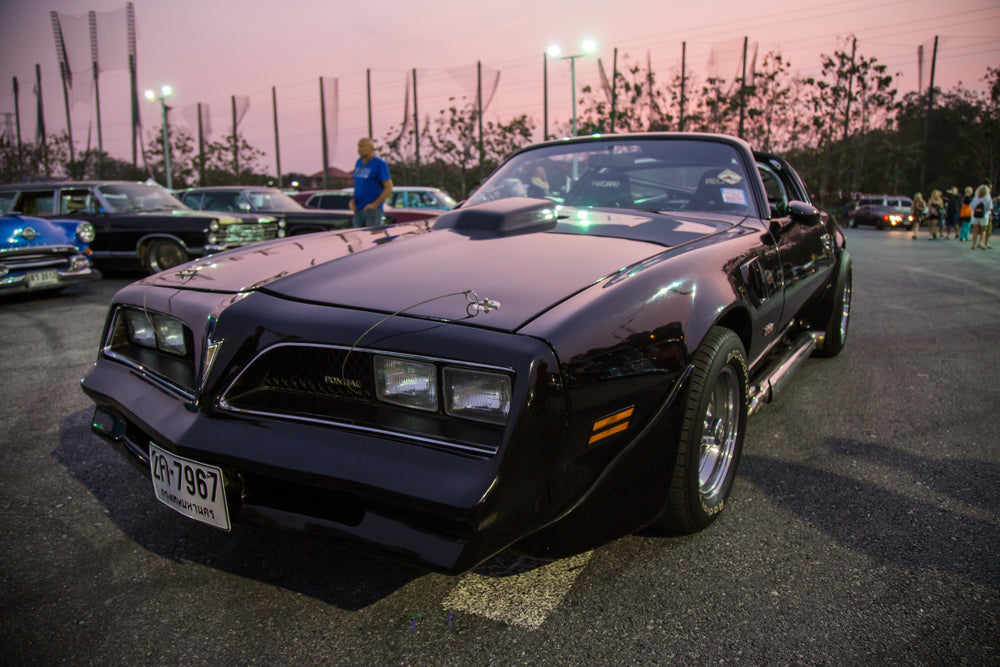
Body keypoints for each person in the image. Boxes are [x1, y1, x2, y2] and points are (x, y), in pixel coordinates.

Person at [350, 137, 393, 228]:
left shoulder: (379, 164)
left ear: (371, 148)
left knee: (371, 235)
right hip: (358, 209)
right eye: (358, 146)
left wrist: (375, 204)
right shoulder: (358, 162)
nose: (359, 149)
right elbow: (358, 184)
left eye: (362, 146)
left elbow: (388, 188)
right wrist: (352, 200)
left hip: (372, 210)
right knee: (358, 234)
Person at [969, 184, 992, 250]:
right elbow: (990, 208)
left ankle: (974, 244)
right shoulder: (988, 198)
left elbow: (971, 207)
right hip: (984, 216)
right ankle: (981, 242)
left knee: (975, 230)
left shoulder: (975, 198)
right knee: (983, 230)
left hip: (975, 216)